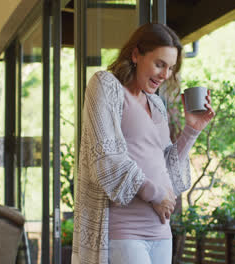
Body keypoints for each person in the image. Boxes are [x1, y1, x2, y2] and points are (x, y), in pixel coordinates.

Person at [71, 23, 215, 264]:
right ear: (136, 54)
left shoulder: (156, 104)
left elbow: (168, 169)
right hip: (123, 230)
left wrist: (192, 130)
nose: (165, 75)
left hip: (160, 233)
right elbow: (104, 158)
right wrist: (156, 195)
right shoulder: (106, 86)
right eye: (159, 64)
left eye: (170, 68)